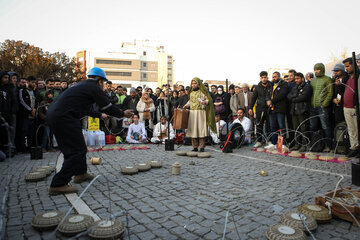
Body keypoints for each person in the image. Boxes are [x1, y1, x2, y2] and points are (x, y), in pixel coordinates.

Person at [47, 67, 133, 195]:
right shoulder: (94, 87)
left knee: (80, 146)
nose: (103, 85)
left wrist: (99, 115)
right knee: (75, 151)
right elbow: (108, 106)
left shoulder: (82, 86)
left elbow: (86, 109)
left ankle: (80, 174)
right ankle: (58, 184)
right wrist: (122, 113)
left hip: (59, 116)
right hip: (64, 118)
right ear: (100, 81)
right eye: (103, 82)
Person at [183, 77, 216, 152]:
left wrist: (205, 102)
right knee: (193, 129)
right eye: (192, 83)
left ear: (198, 84)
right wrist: (186, 105)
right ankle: (194, 146)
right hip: (192, 113)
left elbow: (208, 99)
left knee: (201, 129)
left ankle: (201, 147)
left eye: (195, 83)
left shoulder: (203, 92)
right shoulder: (191, 93)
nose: (193, 85)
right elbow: (190, 101)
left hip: (201, 112)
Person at [309, 63, 333, 152]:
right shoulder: (313, 81)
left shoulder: (328, 79)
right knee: (313, 126)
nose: (316, 71)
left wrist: (324, 104)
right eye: (315, 69)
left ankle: (328, 145)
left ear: (322, 69)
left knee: (325, 126)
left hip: (323, 107)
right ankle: (314, 145)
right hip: (312, 107)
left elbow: (330, 92)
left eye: (318, 69)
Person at [287, 72, 312, 152]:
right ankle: (297, 144)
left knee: (303, 129)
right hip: (294, 111)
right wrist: (296, 97)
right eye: (295, 79)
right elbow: (289, 96)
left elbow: (303, 97)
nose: (296, 80)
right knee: (296, 129)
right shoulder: (295, 87)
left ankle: (305, 145)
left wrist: (294, 98)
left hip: (302, 110)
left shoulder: (307, 87)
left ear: (302, 79)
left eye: (298, 79)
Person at [266, 71, 289, 149]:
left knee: (281, 126)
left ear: (279, 77)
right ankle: (273, 143)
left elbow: (282, 95)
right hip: (271, 109)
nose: (274, 78)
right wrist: (268, 101)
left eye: (275, 76)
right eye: (273, 77)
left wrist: (272, 101)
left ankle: (283, 143)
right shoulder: (270, 85)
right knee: (273, 127)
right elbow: (267, 95)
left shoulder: (284, 84)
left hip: (280, 108)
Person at [249, 71, 273, 148]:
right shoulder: (257, 87)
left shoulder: (271, 85)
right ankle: (259, 141)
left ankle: (269, 141)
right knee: (259, 125)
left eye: (265, 77)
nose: (264, 79)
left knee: (269, 125)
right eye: (262, 77)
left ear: (267, 77)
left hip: (269, 108)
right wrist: (250, 108)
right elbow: (253, 98)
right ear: (260, 78)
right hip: (260, 108)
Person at [342, 58, 359, 158]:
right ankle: (354, 147)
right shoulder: (348, 78)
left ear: (353, 65)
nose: (346, 68)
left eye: (348, 66)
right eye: (345, 67)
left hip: (355, 107)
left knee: (357, 129)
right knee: (351, 129)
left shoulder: (358, 76)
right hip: (346, 107)